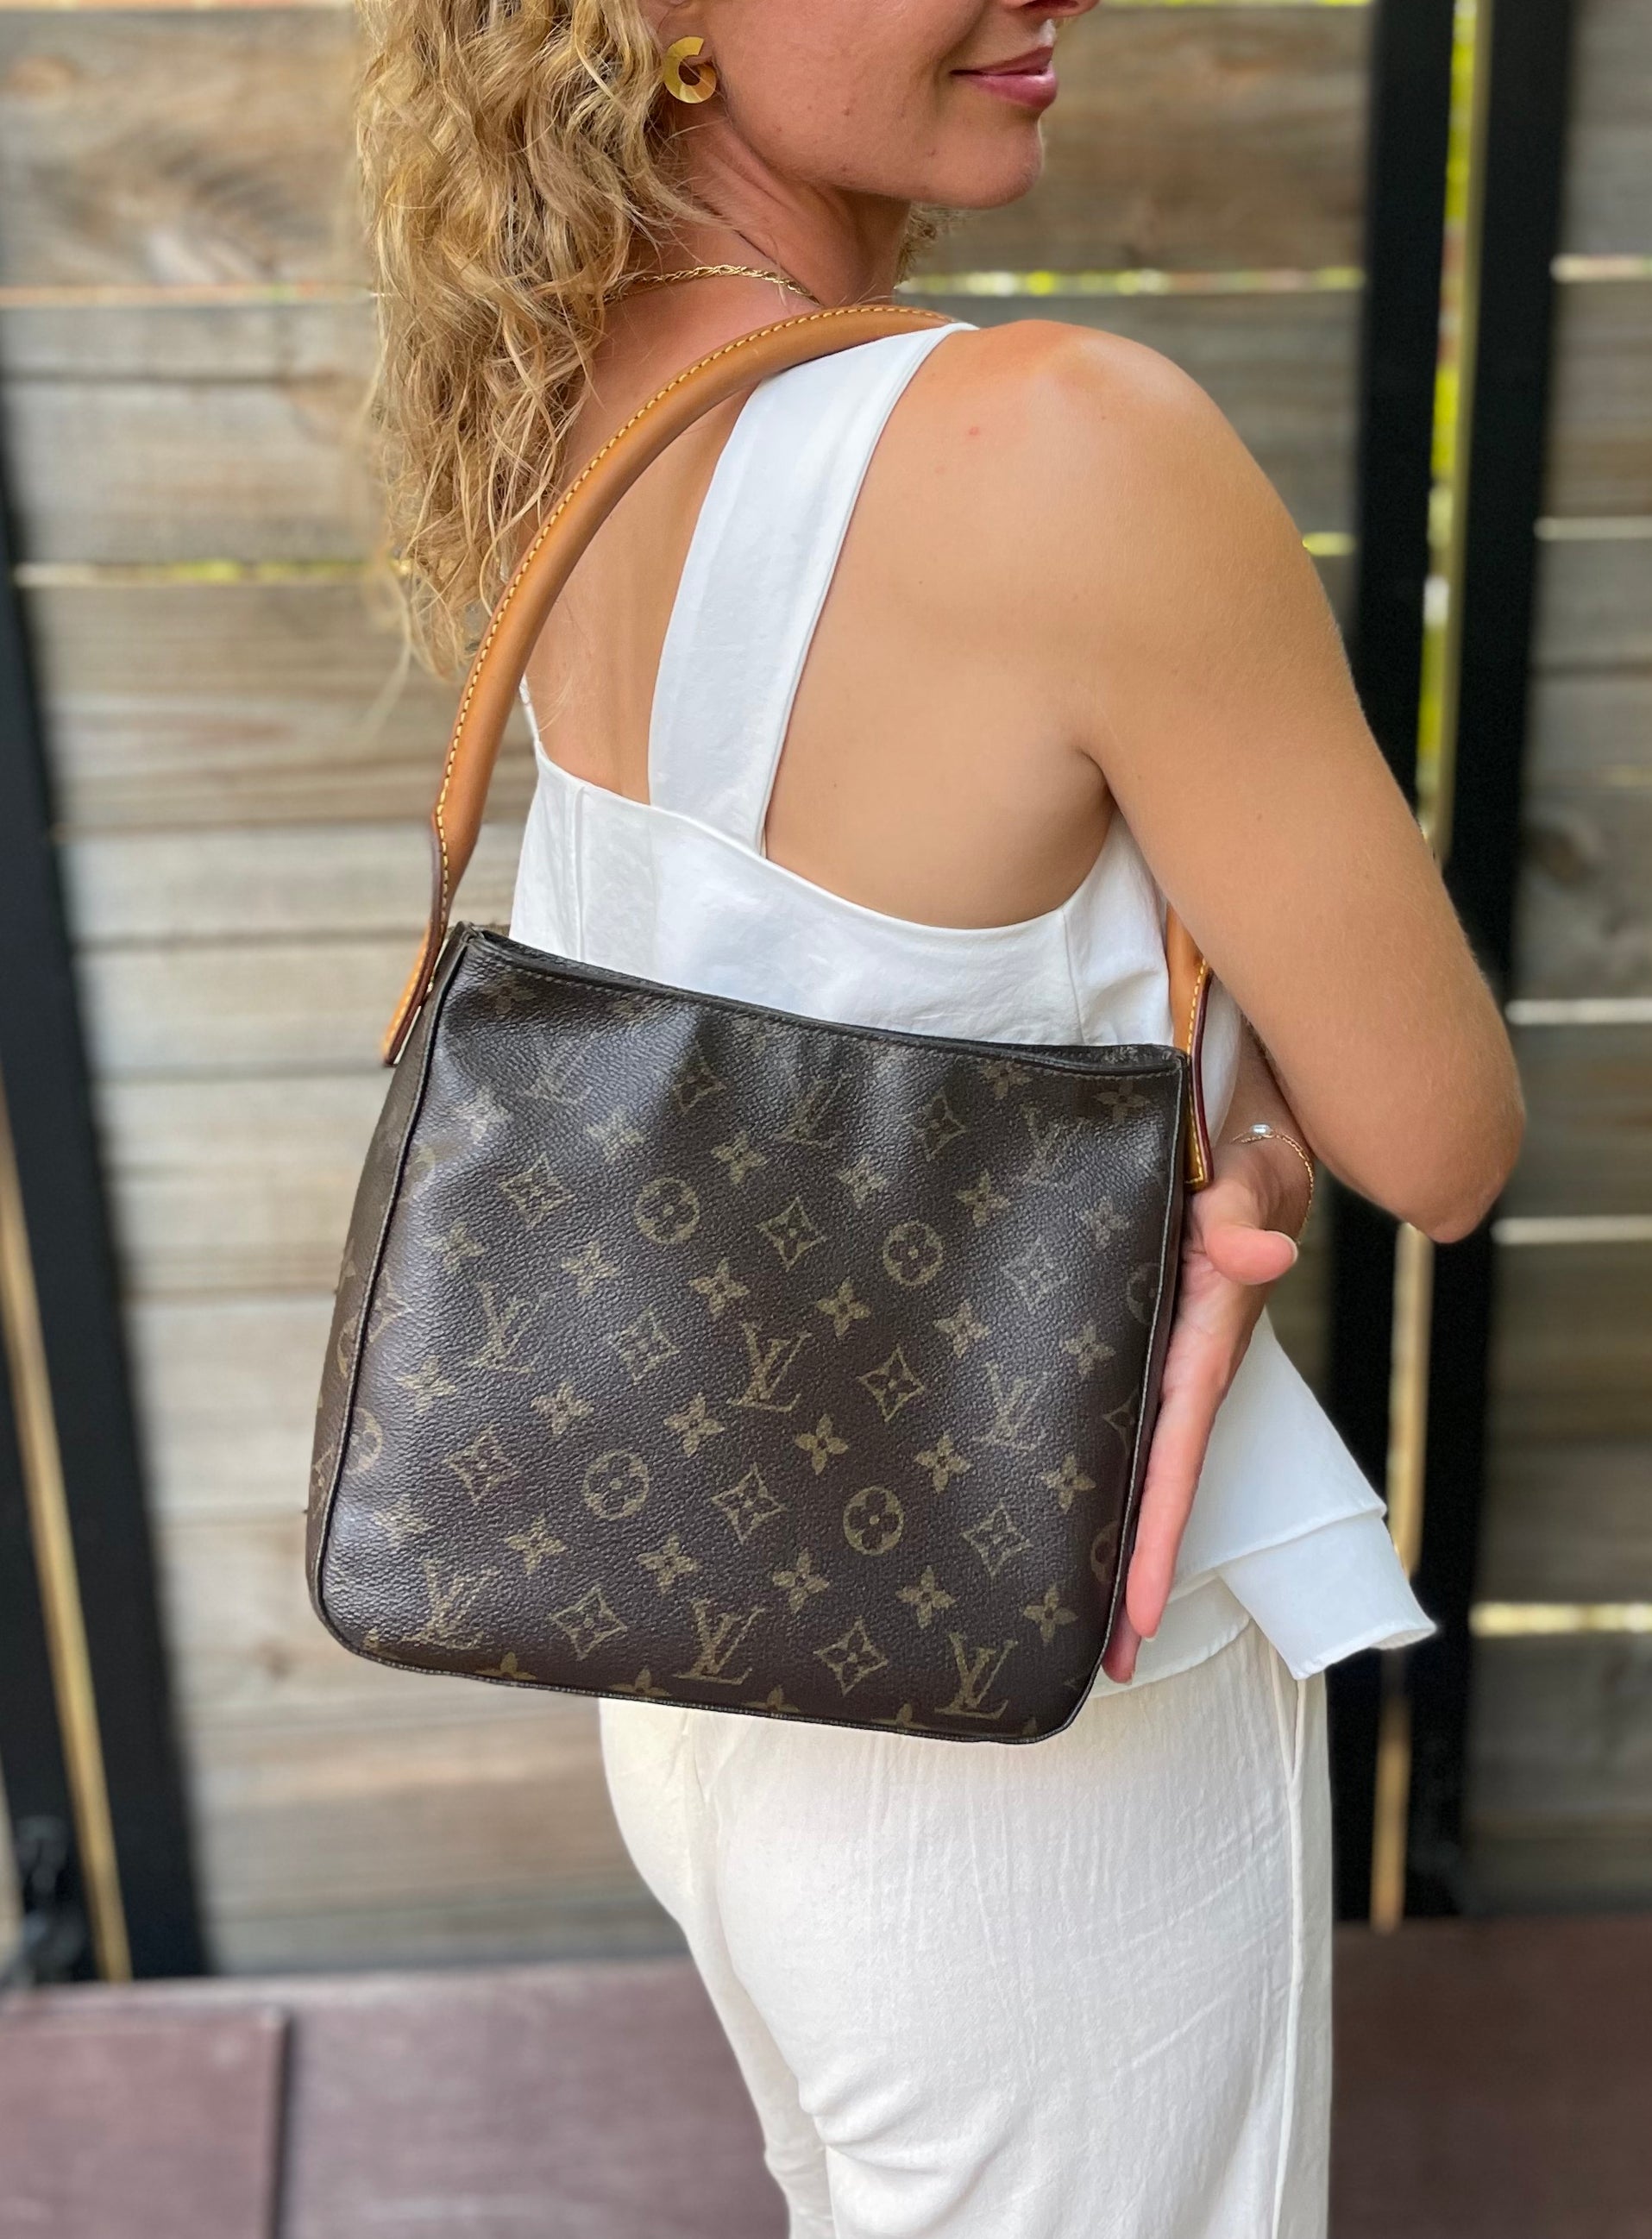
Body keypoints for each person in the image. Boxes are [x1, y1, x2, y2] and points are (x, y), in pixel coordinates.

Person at [357, 3, 1524, 2231]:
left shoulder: (565, 385)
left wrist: (1224, 1138)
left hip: (694, 1669)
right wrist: (1246, 1144)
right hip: (1030, 1700)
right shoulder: (1060, 445)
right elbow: (1442, 1134)